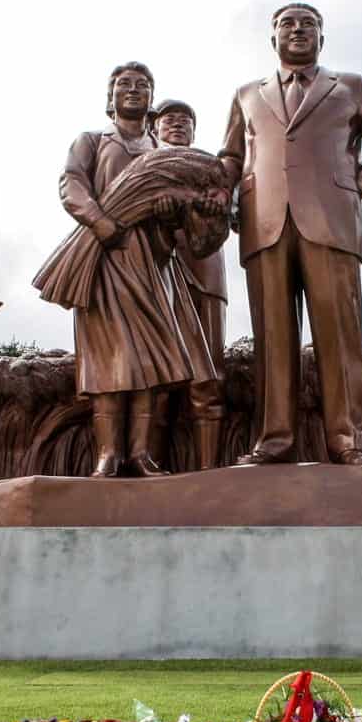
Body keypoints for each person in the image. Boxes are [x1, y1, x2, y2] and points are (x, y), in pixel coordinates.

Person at [219, 2, 362, 465]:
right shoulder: (247, 94)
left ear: (321, 38)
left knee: (339, 333)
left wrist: (361, 185)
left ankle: (348, 441)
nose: (298, 30)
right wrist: (223, 194)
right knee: (272, 336)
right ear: (274, 39)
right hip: (262, 222)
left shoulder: (351, 86)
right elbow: (230, 156)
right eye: (287, 23)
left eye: (309, 24)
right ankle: (275, 438)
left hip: (331, 221)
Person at [42, 63, 216, 477]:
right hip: (103, 259)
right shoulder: (91, 141)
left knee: (150, 361)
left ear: (152, 98)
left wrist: (174, 214)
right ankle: (108, 455)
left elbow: (185, 214)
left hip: (154, 264)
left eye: (143, 85)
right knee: (108, 361)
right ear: (111, 96)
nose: (134, 90)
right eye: (125, 84)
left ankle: (139, 453)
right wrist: (102, 225)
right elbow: (71, 184)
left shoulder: (163, 151)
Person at [150, 98, 228, 468]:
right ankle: (148, 468)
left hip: (207, 279)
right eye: (169, 120)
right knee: (156, 383)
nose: (177, 125)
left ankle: (209, 472)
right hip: (155, 279)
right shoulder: (143, 169)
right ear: (155, 129)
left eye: (184, 120)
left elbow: (238, 214)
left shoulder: (212, 168)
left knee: (208, 378)